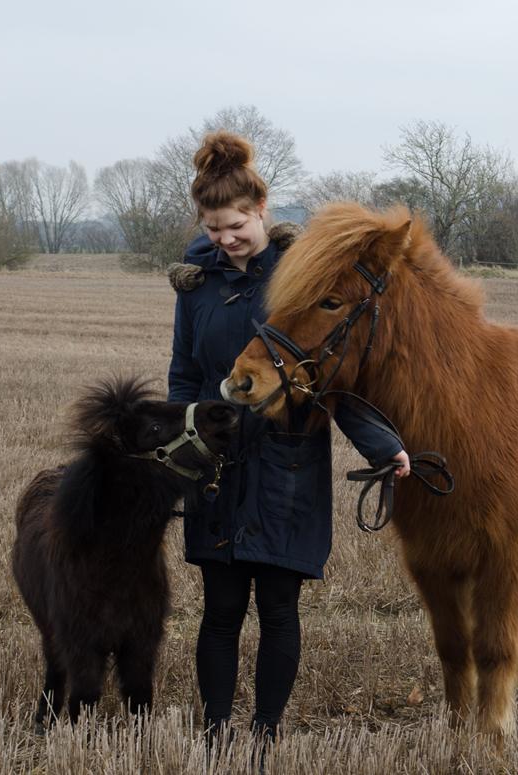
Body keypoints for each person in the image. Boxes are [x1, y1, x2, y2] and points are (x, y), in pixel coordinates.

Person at [166, 130, 409, 743]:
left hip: (288, 466)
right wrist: (182, 444)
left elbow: (331, 371)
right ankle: (217, 734)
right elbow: (185, 372)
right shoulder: (196, 287)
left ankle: (266, 734)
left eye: (236, 225)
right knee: (219, 612)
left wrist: (383, 445)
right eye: (214, 228)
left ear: (261, 212)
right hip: (218, 466)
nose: (225, 239)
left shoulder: (300, 275)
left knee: (278, 610)